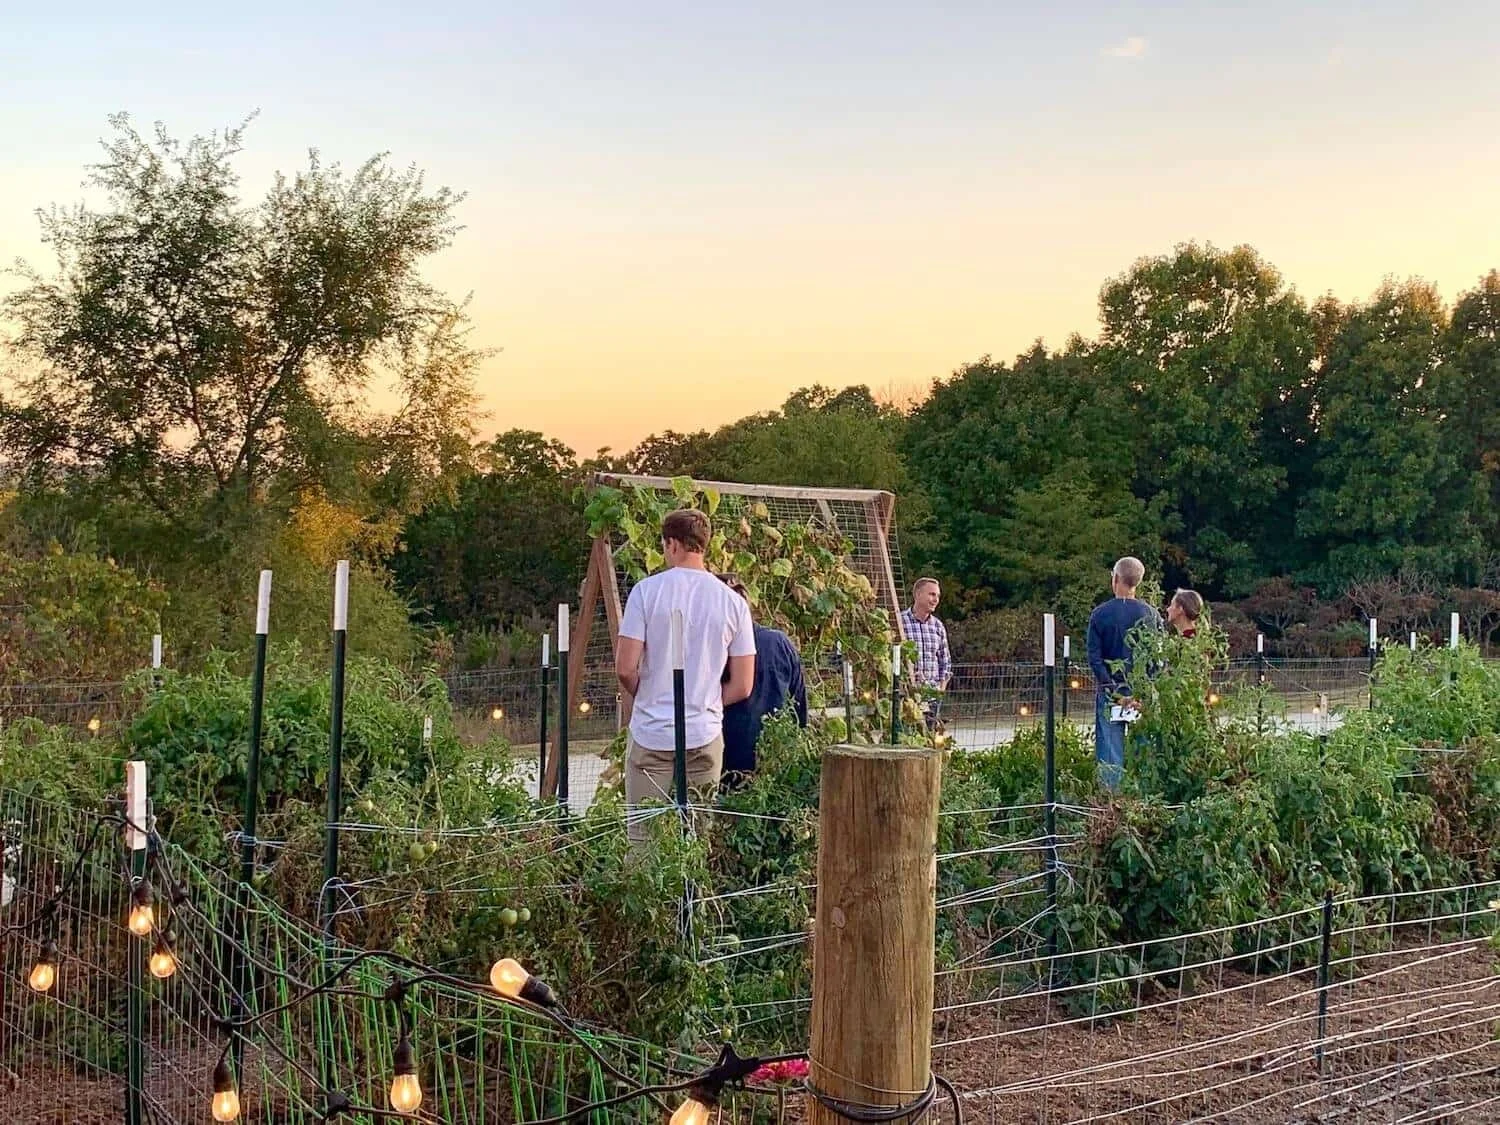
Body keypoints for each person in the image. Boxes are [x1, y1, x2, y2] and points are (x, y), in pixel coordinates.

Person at [615, 509, 755, 843]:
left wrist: (647, 693)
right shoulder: (732, 602)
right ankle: (692, 879)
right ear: (703, 545)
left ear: (672, 544)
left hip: (651, 733)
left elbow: (624, 667)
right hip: (703, 734)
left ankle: (648, 879)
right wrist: (706, 700)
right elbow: (743, 684)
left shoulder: (646, 592)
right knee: (696, 838)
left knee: (644, 839)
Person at [715, 574, 808, 783]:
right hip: (773, 765)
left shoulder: (711, 648)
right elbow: (799, 707)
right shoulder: (778, 643)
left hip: (722, 765)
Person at [1086, 557, 1162, 790]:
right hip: (1142, 695)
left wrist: (1113, 691)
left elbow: (1095, 659)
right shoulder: (1152, 615)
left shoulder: (1100, 615)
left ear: (1116, 579)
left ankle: (1112, 801)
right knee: (1144, 753)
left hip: (1110, 695)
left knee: (1110, 756)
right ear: (1138, 582)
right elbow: (1158, 659)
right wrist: (1143, 691)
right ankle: (1145, 799)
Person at [900, 578, 952, 731]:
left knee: (929, 737)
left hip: (932, 697)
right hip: (907, 697)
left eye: (938, 596)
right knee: (906, 737)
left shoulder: (938, 626)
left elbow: (945, 662)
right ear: (918, 595)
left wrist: (940, 690)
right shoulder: (900, 622)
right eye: (932, 594)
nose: (936, 599)